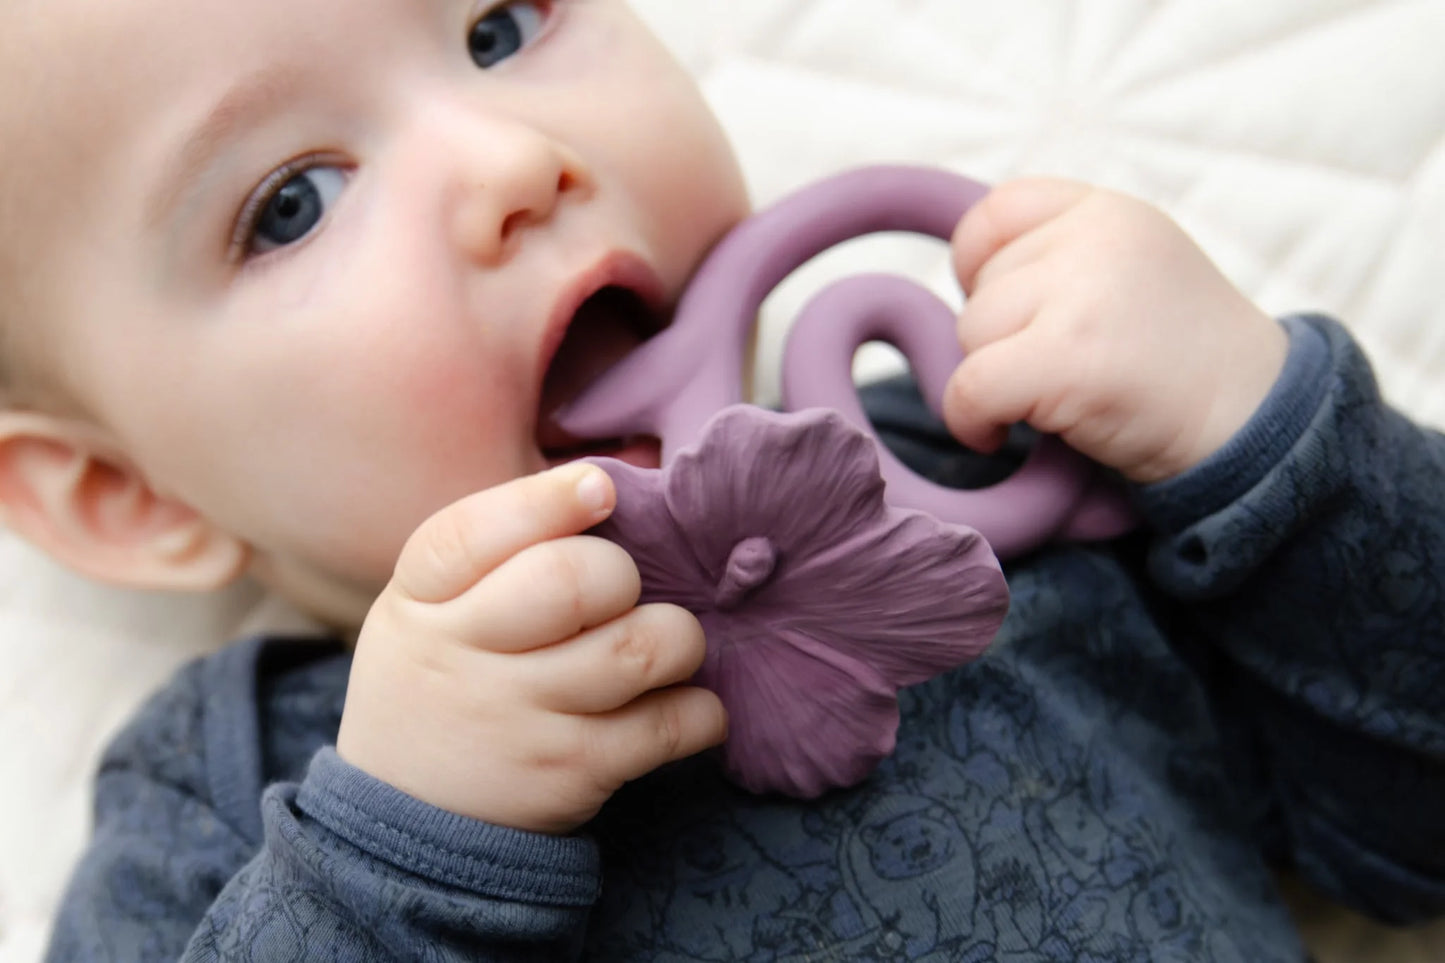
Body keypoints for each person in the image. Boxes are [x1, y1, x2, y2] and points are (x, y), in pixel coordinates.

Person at [0, 0, 1439, 958]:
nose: (513, 160)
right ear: (137, 501)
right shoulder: (239, 803)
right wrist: (398, 855)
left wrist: (1262, 434)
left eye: (500, 26)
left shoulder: (984, 462)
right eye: (289, 205)